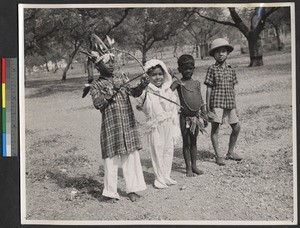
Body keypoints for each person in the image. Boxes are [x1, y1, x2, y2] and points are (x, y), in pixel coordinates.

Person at [89, 50, 150, 202]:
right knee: (111, 159)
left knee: (130, 156)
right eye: (107, 62)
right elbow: (98, 104)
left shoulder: (121, 77)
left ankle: (133, 190)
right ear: (98, 66)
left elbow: (134, 93)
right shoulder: (95, 85)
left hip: (127, 124)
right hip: (111, 126)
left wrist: (142, 84)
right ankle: (110, 193)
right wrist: (112, 92)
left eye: (112, 62)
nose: (111, 65)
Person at [136, 59, 180, 189]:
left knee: (168, 149)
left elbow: (173, 109)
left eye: (160, 74)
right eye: (153, 75)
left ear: (165, 74)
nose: (157, 77)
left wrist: (175, 126)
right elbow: (143, 107)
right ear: (148, 77)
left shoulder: (168, 90)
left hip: (168, 124)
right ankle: (159, 178)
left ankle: (166, 175)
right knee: (157, 150)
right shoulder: (146, 92)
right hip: (155, 125)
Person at [204, 38, 242, 166]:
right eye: (217, 52)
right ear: (214, 54)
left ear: (227, 53)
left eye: (223, 51)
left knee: (236, 127)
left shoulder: (231, 69)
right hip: (217, 103)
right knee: (215, 129)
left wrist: (236, 107)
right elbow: (208, 89)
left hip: (230, 103)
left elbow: (233, 89)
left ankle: (230, 152)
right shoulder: (212, 69)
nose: (220, 54)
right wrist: (208, 107)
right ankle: (217, 155)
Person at [171, 54, 208, 177]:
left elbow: (201, 99)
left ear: (194, 68)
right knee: (186, 142)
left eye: (190, 68)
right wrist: (170, 77)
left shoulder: (196, 83)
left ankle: (194, 166)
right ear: (179, 70)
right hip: (184, 117)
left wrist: (204, 113)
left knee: (194, 141)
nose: (188, 71)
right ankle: (188, 168)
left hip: (196, 118)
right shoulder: (178, 83)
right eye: (185, 69)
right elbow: (167, 91)